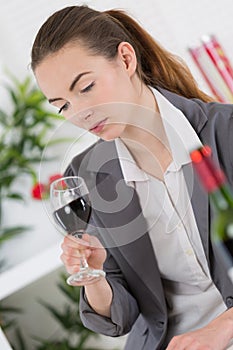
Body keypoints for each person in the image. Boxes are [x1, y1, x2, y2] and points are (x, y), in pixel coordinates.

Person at [31, 5, 233, 350]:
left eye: (87, 87)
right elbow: (120, 317)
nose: (80, 114)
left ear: (126, 59)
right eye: (62, 105)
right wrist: (94, 276)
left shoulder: (224, 132)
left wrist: (222, 329)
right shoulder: (86, 175)